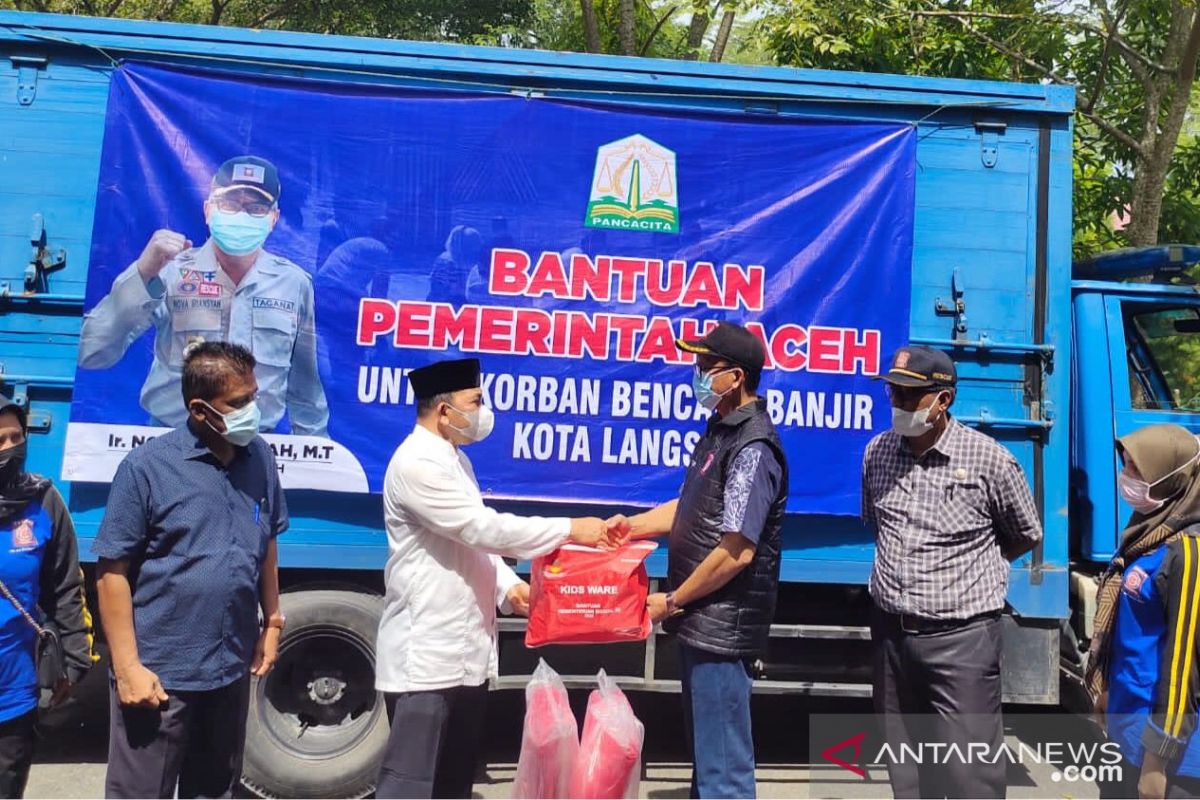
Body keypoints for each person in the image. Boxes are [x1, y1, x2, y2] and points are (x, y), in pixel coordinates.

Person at [374, 356, 618, 799]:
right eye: (476, 401)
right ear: (445, 411)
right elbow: (482, 528)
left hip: (464, 650)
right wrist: (568, 529)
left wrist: (510, 587)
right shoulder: (416, 464)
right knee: (410, 784)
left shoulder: (454, 460)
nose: (483, 411)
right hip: (426, 655)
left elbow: (471, 541)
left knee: (452, 781)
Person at [93, 342, 286, 799]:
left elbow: (268, 542)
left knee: (215, 789)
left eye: (254, 397)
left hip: (229, 667)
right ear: (200, 410)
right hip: (161, 675)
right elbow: (111, 573)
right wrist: (128, 669)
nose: (252, 411)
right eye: (239, 403)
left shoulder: (259, 458)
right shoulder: (147, 468)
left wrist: (273, 623)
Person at [607, 321, 788, 800]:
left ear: (737, 376)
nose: (698, 375)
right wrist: (630, 526)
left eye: (707, 367)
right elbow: (689, 508)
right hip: (703, 625)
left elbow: (736, 550)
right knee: (709, 762)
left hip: (721, 631)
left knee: (723, 773)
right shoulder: (721, 432)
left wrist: (672, 600)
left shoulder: (752, 446)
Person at [862, 345, 1042, 799]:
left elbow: (1024, 533)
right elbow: (877, 524)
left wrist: (965, 573)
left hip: (961, 643)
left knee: (969, 779)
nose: (898, 405)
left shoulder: (990, 460)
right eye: (893, 394)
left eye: (910, 396)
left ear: (942, 401)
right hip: (892, 640)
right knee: (906, 775)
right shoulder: (878, 453)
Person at [77, 155, 329, 437]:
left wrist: (315, 457)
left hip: (253, 449)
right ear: (209, 210)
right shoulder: (171, 272)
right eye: (230, 204)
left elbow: (305, 389)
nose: (241, 215)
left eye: (256, 208)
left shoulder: (293, 284)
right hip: (171, 443)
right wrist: (142, 273)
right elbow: (91, 351)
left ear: (273, 219)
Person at [1088, 424, 1200, 799]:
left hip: (1170, 756)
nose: (1126, 477)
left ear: (1171, 478)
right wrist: (1105, 689)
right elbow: (1128, 631)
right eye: (1126, 465)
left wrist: (1157, 762)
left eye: (1136, 469)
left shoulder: (1188, 551)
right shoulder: (1149, 532)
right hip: (1128, 727)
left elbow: (1183, 667)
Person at [0, 392, 96, 798]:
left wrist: (74, 661)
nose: (9, 449)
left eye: (15, 437)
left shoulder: (43, 501)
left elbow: (65, 587)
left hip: (13, 695)